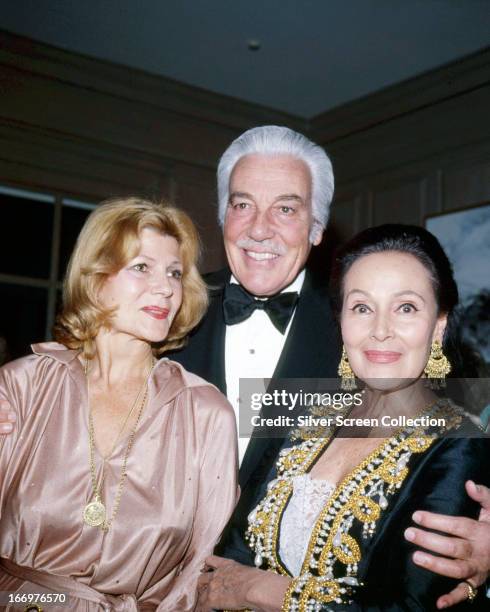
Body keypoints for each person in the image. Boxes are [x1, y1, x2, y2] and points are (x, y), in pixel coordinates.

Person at [1, 127, 489, 604]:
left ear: (317, 228)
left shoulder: (355, 336)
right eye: (242, 205)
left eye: (286, 208)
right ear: (222, 217)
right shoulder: (166, 309)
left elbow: (451, 424)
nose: (260, 228)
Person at [196, 224, 490, 610]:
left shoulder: (460, 444)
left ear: (438, 325)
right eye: (362, 308)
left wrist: (255, 590)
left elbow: (409, 605)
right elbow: (233, 551)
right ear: (341, 321)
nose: (381, 331)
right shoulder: (309, 412)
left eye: (406, 308)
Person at [0, 197, 238, 611]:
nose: (165, 287)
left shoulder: (205, 414)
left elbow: (198, 571)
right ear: (95, 278)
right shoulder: (24, 386)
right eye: (141, 267)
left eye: (175, 273)